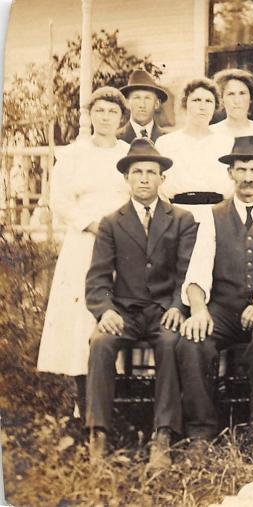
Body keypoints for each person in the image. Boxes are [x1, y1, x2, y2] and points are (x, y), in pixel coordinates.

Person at [176, 135, 253, 455]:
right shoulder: (212, 215)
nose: (248, 177)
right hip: (224, 308)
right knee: (193, 340)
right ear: (230, 173)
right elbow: (197, 273)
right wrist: (199, 310)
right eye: (240, 169)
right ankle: (200, 433)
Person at [83, 138, 198, 468]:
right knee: (101, 342)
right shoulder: (111, 222)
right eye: (137, 172)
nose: (144, 178)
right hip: (125, 312)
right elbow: (98, 278)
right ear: (126, 179)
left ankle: (162, 435)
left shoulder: (181, 219)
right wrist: (104, 311)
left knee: (170, 344)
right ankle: (98, 434)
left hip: (164, 311)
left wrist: (178, 306)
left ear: (163, 179)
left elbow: (185, 272)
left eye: (151, 172)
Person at [37, 87, 131, 415]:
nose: (105, 117)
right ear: (91, 115)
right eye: (100, 110)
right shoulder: (74, 154)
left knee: (119, 313)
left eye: (112, 112)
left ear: (122, 118)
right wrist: (91, 225)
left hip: (125, 243)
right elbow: (59, 201)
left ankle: (118, 403)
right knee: (82, 320)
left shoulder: (129, 152)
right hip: (84, 243)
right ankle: (85, 407)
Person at [156, 78, 233, 222]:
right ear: (185, 103)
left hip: (218, 216)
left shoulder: (227, 143)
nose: (203, 107)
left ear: (216, 106)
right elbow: (159, 189)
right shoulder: (166, 143)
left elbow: (233, 187)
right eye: (196, 100)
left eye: (209, 101)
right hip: (177, 216)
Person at [211, 68, 253, 138]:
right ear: (222, 99)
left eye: (242, 93)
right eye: (231, 94)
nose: (237, 101)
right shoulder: (211, 133)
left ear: (251, 97)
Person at [118, 69, 168, 143]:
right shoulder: (116, 139)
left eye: (147, 98)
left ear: (156, 104)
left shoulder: (168, 139)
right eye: (137, 98)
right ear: (127, 103)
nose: (142, 105)